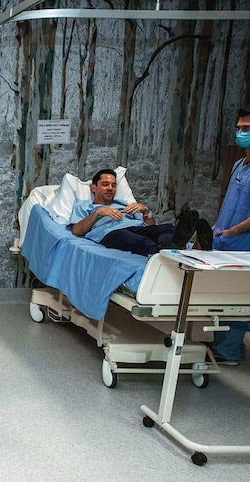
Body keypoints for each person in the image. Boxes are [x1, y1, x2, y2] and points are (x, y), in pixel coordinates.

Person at [69, 169, 206, 256]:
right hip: (111, 233)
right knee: (143, 243)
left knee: (168, 229)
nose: (110, 188)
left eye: (114, 185)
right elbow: (76, 230)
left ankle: (178, 246)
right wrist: (98, 213)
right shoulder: (85, 205)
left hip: (138, 227)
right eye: (105, 184)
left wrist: (146, 211)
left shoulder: (123, 204)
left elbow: (151, 226)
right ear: (94, 187)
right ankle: (177, 251)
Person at [210, 104, 250, 366]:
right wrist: (217, 226)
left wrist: (233, 231)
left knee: (236, 300)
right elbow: (230, 201)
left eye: (246, 129)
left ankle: (228, 353)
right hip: (223, 240)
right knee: (221, 298)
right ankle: (226, 346)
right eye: (238, 128)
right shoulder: (239, 164)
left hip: (242, 244)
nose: (240, 133)